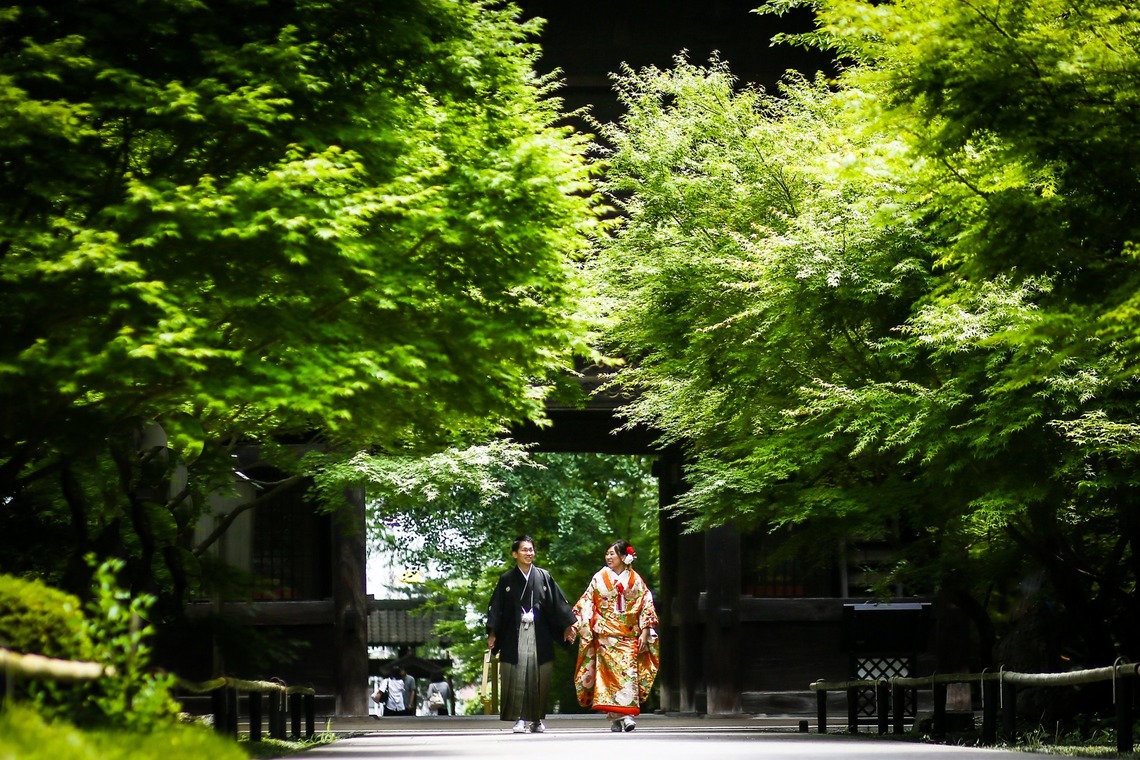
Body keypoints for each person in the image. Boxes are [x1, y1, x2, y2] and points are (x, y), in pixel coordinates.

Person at [486, 535, 577, 734]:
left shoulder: (544, 576)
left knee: (539, 676)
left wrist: (567, 626)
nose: (529, 553)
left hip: (539, 632)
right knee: (517, 675)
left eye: (531, 550)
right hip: (514, 633)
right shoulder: (506, 579)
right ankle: (519, 718)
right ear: (515, 554)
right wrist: (492, 632)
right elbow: (497, 608)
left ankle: (536, 719)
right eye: (524, 550)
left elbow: (558, 604)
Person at [570, 539, 660, 733]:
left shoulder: (635, 579)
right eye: (607, 554)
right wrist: (577, 625)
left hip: (628, 634)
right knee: (608, 677)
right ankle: (624, 717)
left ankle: (619, 716)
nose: (608, 557)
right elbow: (586, 602)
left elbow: (646, 603)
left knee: (628, 674)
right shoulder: (599, 577)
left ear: (623, 556)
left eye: (612, 553)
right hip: (605, 635)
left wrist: (645, 631)